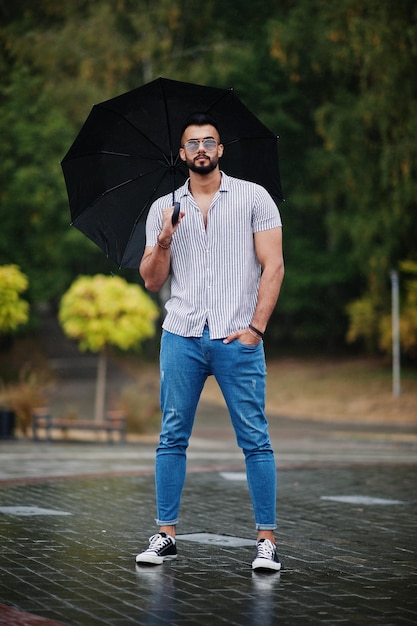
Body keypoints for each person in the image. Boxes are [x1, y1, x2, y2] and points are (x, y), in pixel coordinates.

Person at [136, 112, 284, 571]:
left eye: (209, 141)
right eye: (193, 143)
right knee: (171, 437)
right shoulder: (163, 208)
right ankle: (165, 534)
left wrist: (255, 329)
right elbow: (151, 280)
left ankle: (266, 541)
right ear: (182, 154)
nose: (201, 148)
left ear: (220, 150)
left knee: (255, 439)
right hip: (181, 335)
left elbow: (273, 266)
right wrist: (163, 240)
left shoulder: (254, 197)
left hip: (236, 334)